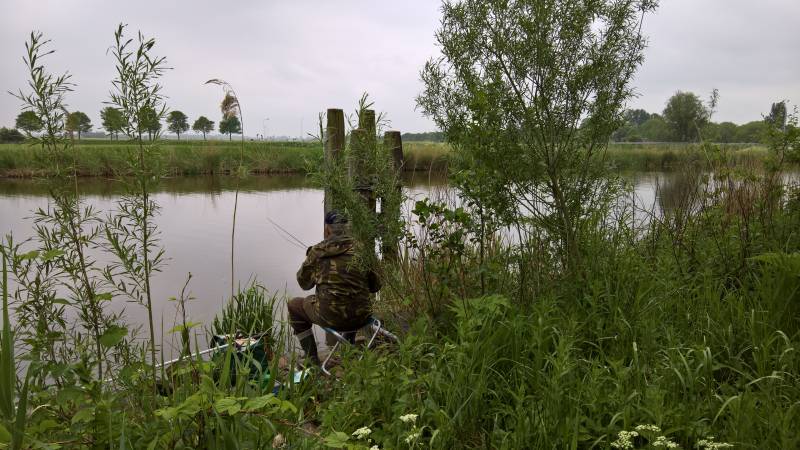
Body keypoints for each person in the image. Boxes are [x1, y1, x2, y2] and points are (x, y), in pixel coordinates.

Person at [288, 210, 381, 365]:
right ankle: (349, 348)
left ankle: (312, 360)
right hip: (363, 317)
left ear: (327, 229)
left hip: (331, 319)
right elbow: (375, 286)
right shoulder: (362, 250)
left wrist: (310, 258)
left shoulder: (317, 252)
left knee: (294, 305)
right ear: (347, 228)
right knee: (351, 299)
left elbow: (304, 284)